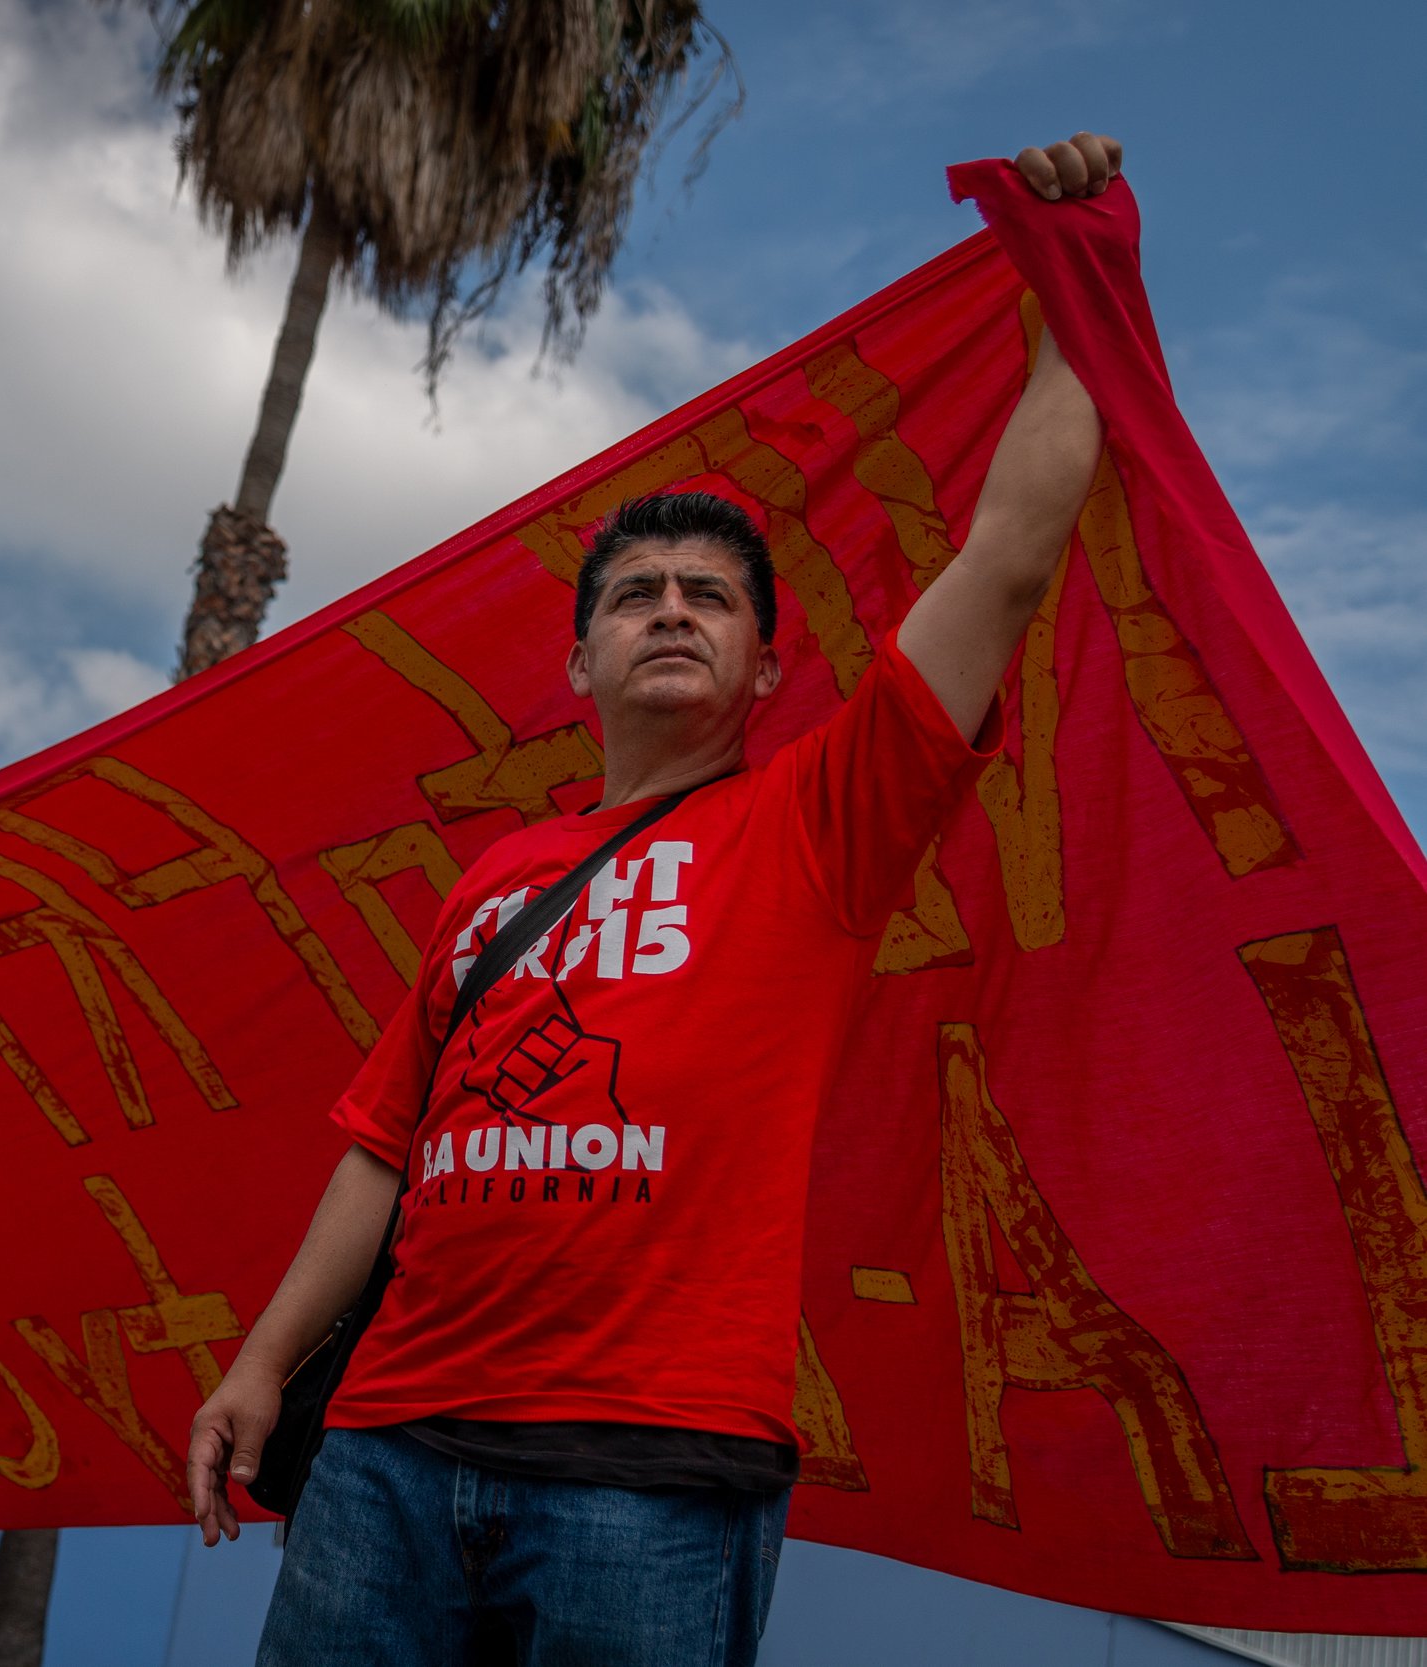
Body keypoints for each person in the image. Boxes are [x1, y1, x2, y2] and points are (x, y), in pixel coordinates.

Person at [186, 132, 1127, 1667]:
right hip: (382, 1456)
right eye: (636, 596)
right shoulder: (490, 881)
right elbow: (380, 1152)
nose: (670, 610)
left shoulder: (825, 816)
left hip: (652, 1470)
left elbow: (1013, 556)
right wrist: (266, 1368)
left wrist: (1065, 274)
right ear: (580, 667)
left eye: (709, 598)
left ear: (769, 666)